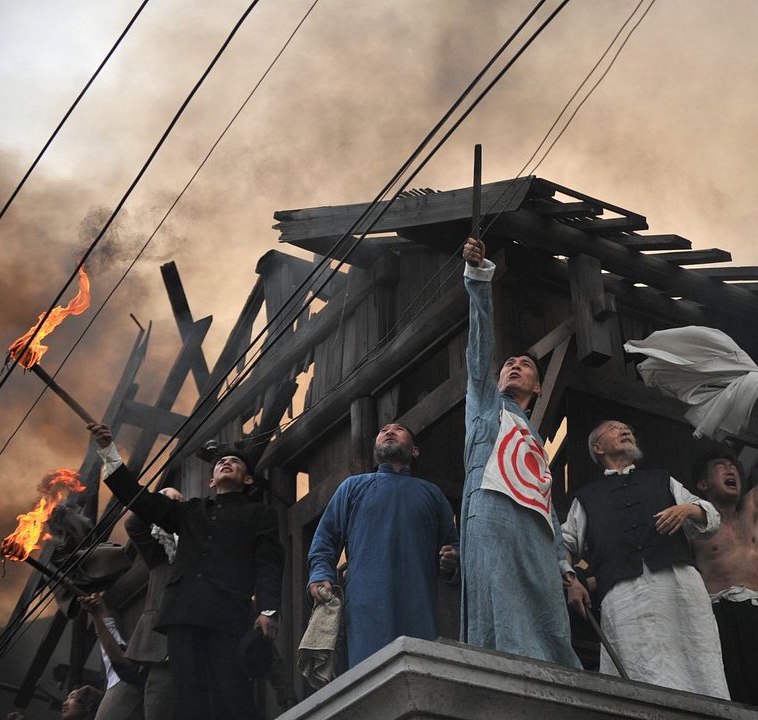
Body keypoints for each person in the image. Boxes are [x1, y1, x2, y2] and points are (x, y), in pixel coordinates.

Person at [87, 422, 283, 720]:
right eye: (220, 462)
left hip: (226, 615)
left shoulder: (260, 514)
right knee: (191, 699)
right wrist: (108, 452)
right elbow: (139, 500)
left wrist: (268, 609)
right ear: (212, 482)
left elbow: (269, 561)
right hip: (183, 617)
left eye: (235, 462)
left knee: (232, 694)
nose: (227, 463)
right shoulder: (191, 511)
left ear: (247, 479)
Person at [458, 236, 580, 668]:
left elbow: (546, 505)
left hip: (534, 527)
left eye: (525, 365)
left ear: (539, 386)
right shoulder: (486, 404)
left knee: (546, 610)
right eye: (509, 363)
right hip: (491, 514)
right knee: (496, 603)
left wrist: (566, 570)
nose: (514, 365)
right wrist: (478, 281)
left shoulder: (534, 439)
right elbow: (478, 351)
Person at [562, 420, 728, 697]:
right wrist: (571, 581)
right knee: (636, 661)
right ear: (597, 447)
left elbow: (712, 519)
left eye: (628, 428)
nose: (626, 430)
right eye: (615, 428)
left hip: (678, 585)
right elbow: (564, 543)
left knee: (696, 653)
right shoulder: (586, 498)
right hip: (623, 595)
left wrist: (688, 509)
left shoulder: (662, 479)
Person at [306, 422, 460, 670]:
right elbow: (325, 539)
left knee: (419, 674)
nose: (388, 432)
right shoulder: (352, 487)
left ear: (415, 451)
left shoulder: (433, 495)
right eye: (383, 430)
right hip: (366, 607)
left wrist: (452, 561)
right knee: (368, 678)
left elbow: (453, 546)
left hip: (418, 606)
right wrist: (320, 574)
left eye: (398, 429)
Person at [690, 391, 758, 711]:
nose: (731, 470)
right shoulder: (693, 521)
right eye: (721, 467)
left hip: (755, 609)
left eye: (733, 466)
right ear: (703, 484)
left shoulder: (750, 510)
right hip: (717, 614)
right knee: (731, 695)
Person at [123, 492, 182, 720]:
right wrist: (161, 499)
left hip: (200, 652)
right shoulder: (160, 556)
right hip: (163, 654)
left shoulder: (203, 553)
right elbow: (134, 525)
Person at [78, 592, 143, 720]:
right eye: (76, 699)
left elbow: (112, 645)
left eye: (72, 696)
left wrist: (97, 613)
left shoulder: (115, 678)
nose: (65, 702)